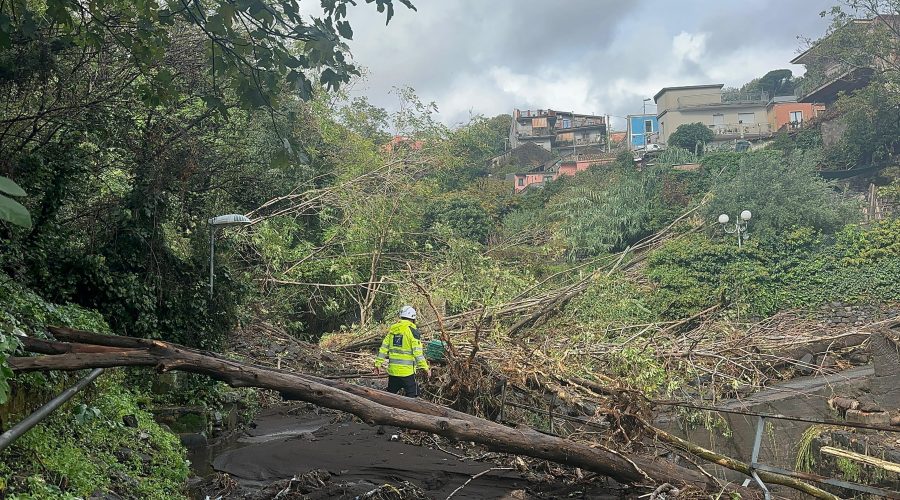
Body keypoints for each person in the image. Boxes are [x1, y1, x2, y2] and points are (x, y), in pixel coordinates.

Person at [373, 305, 430, 397]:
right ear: (413, 318)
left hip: (393, 372)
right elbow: (418, 353)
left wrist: (377, 364)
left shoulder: (393, 330)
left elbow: (383, 349)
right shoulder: (413, 332)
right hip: (407, 373)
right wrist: (425, 368)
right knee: (414, 398)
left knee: (390, 398)